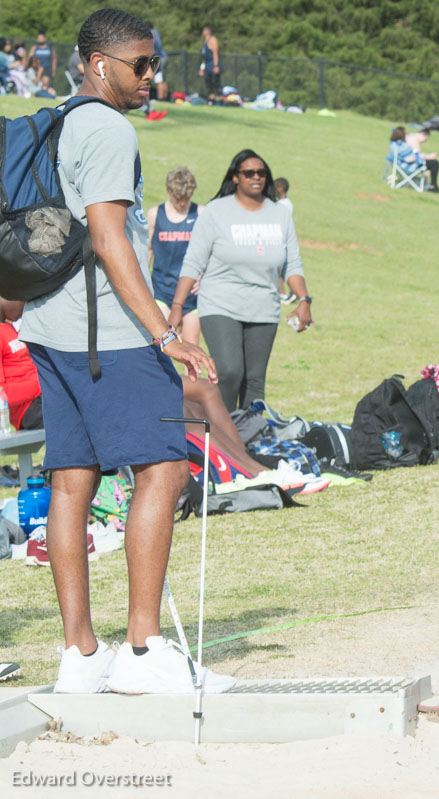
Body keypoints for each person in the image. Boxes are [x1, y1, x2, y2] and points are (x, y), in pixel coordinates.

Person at [19, 8, 233, 695]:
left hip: (50, 329)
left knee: (70, 481)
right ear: (98, 63)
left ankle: (79, 655)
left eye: (156, 62)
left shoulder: (57, 120)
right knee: (166, 467)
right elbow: (110, 240)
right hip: (107, 333)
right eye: (140, 64)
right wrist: (166, 334)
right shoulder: (107, 128)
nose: (152, 75)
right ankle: (142, 649)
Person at [172, 149, 312, 411]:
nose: (256, 177)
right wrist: (178, 307)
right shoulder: (216, 211)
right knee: (228, 371)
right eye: (249, 173)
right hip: (220, 303)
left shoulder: (280, 215)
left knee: (255, 381)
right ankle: (220, 438)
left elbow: (292, 264)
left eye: (261, 173)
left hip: (264, 307)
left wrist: (304, 300)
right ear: (236, 177)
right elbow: (193, 261)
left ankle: (250, 440)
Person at [148, 166, 204, 345]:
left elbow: (211, 252)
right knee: (160, 343)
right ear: (168, 192)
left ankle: (190, 375)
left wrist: (205, 276)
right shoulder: (155, 215)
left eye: (186, 199)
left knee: (191, 347)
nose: (182, 203)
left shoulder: (201, 214)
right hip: (162, 291)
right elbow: (148, 250)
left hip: (191, 295)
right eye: (178, 199)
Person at [0, 320, 43, 430]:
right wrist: (42, 384)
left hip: (40, 396)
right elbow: (1, 394)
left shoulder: (9, 327)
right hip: (28, 410)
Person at [198, 25, 219, 103]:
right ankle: (211, 101)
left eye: (204, 30)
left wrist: (216, 66)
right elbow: (204, 57)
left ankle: (222, 101)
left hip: (212, 64)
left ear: (207, 31)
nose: (203, 32)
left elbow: (215, 54)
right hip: (207, 65)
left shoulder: (213, 40)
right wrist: (202, 68)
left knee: (216, 83)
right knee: (208, 84)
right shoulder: (205, 41)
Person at [148, 21, 166, 101]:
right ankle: (163, 99)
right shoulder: (156, 32)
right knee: (160, 78)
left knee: (147, 78)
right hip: (162, 56)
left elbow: (152, 42)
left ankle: (147, 99)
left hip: (155, 58)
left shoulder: (150, 33)